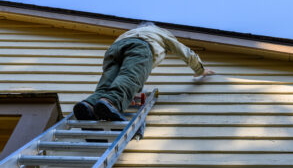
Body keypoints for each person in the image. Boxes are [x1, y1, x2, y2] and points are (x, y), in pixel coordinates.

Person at [73, 22, 215, 121]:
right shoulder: (159, 32)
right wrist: (200, 69)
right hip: (140, 46)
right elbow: (183, 51)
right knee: (130, 76)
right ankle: (110, 102)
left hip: (114, 49)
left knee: (107, 83)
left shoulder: (129, 32)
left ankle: (89, 105)